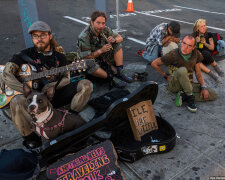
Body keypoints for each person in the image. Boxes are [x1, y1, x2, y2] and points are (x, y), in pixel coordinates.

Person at [1, 21, 93, 149]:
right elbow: (6, 74)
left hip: (51, 94)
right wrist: (26, 90)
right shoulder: (23, 55)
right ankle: (30, 137)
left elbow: (66, 78)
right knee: (16, 101)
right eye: (35, 36)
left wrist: (53, 85)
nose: (39, 39)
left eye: (43, 35)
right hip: (32, 98)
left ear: (50, 36)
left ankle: (70, 116)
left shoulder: (60, 56)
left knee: (86, 85)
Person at [151, 35, 217, 113]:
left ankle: (184, 96)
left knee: (213, 94)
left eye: (189, 45)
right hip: (174, 85)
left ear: (193, 47)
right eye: (184, 43)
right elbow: (154, 64)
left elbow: (198, 74)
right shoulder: (173, 54)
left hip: (188, 84)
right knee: (182, 70)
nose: (185, 47)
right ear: (181, 43)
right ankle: (190, 97)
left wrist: (203, 87)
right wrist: (166, 76)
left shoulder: (196, 54)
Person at [77, 10, 133, 88]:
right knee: (88, 63)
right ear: (92, 22)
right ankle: (112, 78)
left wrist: (114, 40)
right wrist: (101, 50)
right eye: (98, 23)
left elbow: (119, 37)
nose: (101, 26)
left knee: (117, 44)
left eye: (103, 23)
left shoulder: (104, 29)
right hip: (90, 59)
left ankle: (120, 72)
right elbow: (85, 57)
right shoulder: (84, 36)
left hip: (101, 57)